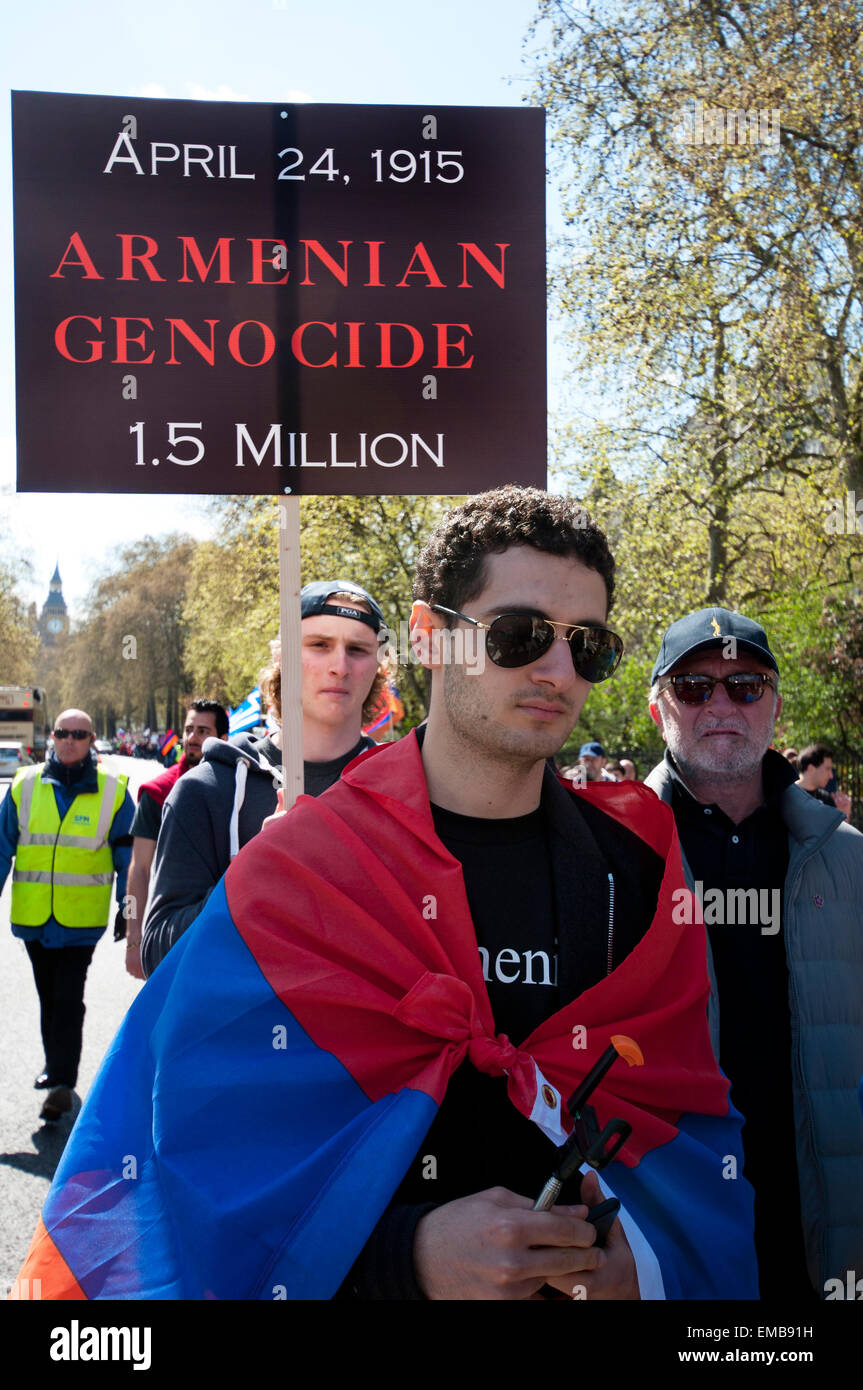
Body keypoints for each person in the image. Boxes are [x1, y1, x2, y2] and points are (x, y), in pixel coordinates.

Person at [15, 488, 756, 1302]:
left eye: (589, 647)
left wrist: (640, 1270)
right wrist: (406, 1255)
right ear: (431, 637)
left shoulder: (641, 872)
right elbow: (187, 1163)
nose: (556, 670)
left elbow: (690, 1148)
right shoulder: (300, 866)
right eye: (518, 636)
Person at [644, 607, 863, 1299]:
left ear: (773, 707)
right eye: (692, 687)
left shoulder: (849, 862)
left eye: (744, 685)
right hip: (671, 1214)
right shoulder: (606, 856)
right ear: (657, 711)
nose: (720, 705)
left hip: (827, 1219)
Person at [140, 582, 386, 977]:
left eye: (358, 649)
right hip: (240, 1035)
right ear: (283, 657)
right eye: (319, 645)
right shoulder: (206, 789)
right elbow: (158, 954)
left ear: (378, 666)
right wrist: (259, 870)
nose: (340, 665)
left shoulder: (406, 791)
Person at [0, 709, 134, 1123]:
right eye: (62, 733)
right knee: (48, 996)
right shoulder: (24, 785)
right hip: (34, 918)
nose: (69, 740)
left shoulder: (113, 791)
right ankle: (55, 1068)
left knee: (67, 996)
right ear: (52, 737)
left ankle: (61, 1082)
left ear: (91, 739)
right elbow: (2, 848)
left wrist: (128, 908)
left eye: (78, 734)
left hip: (80, 922)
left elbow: (128, 858)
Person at [123, 699, 228, 980]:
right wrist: (134, 939)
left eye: (203, 731)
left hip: (227, 936)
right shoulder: (157, 792)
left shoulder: (241, 790)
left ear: (223, 739)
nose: (193, 738)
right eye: (189, 729)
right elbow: (139, 867)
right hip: (171, 933)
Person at [796, 743, 852, 820]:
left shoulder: (826, 798)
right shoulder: (787, 796)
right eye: (827, 769)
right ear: (811, 768)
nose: (831, 776)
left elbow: (837, 831)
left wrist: (844, 813)